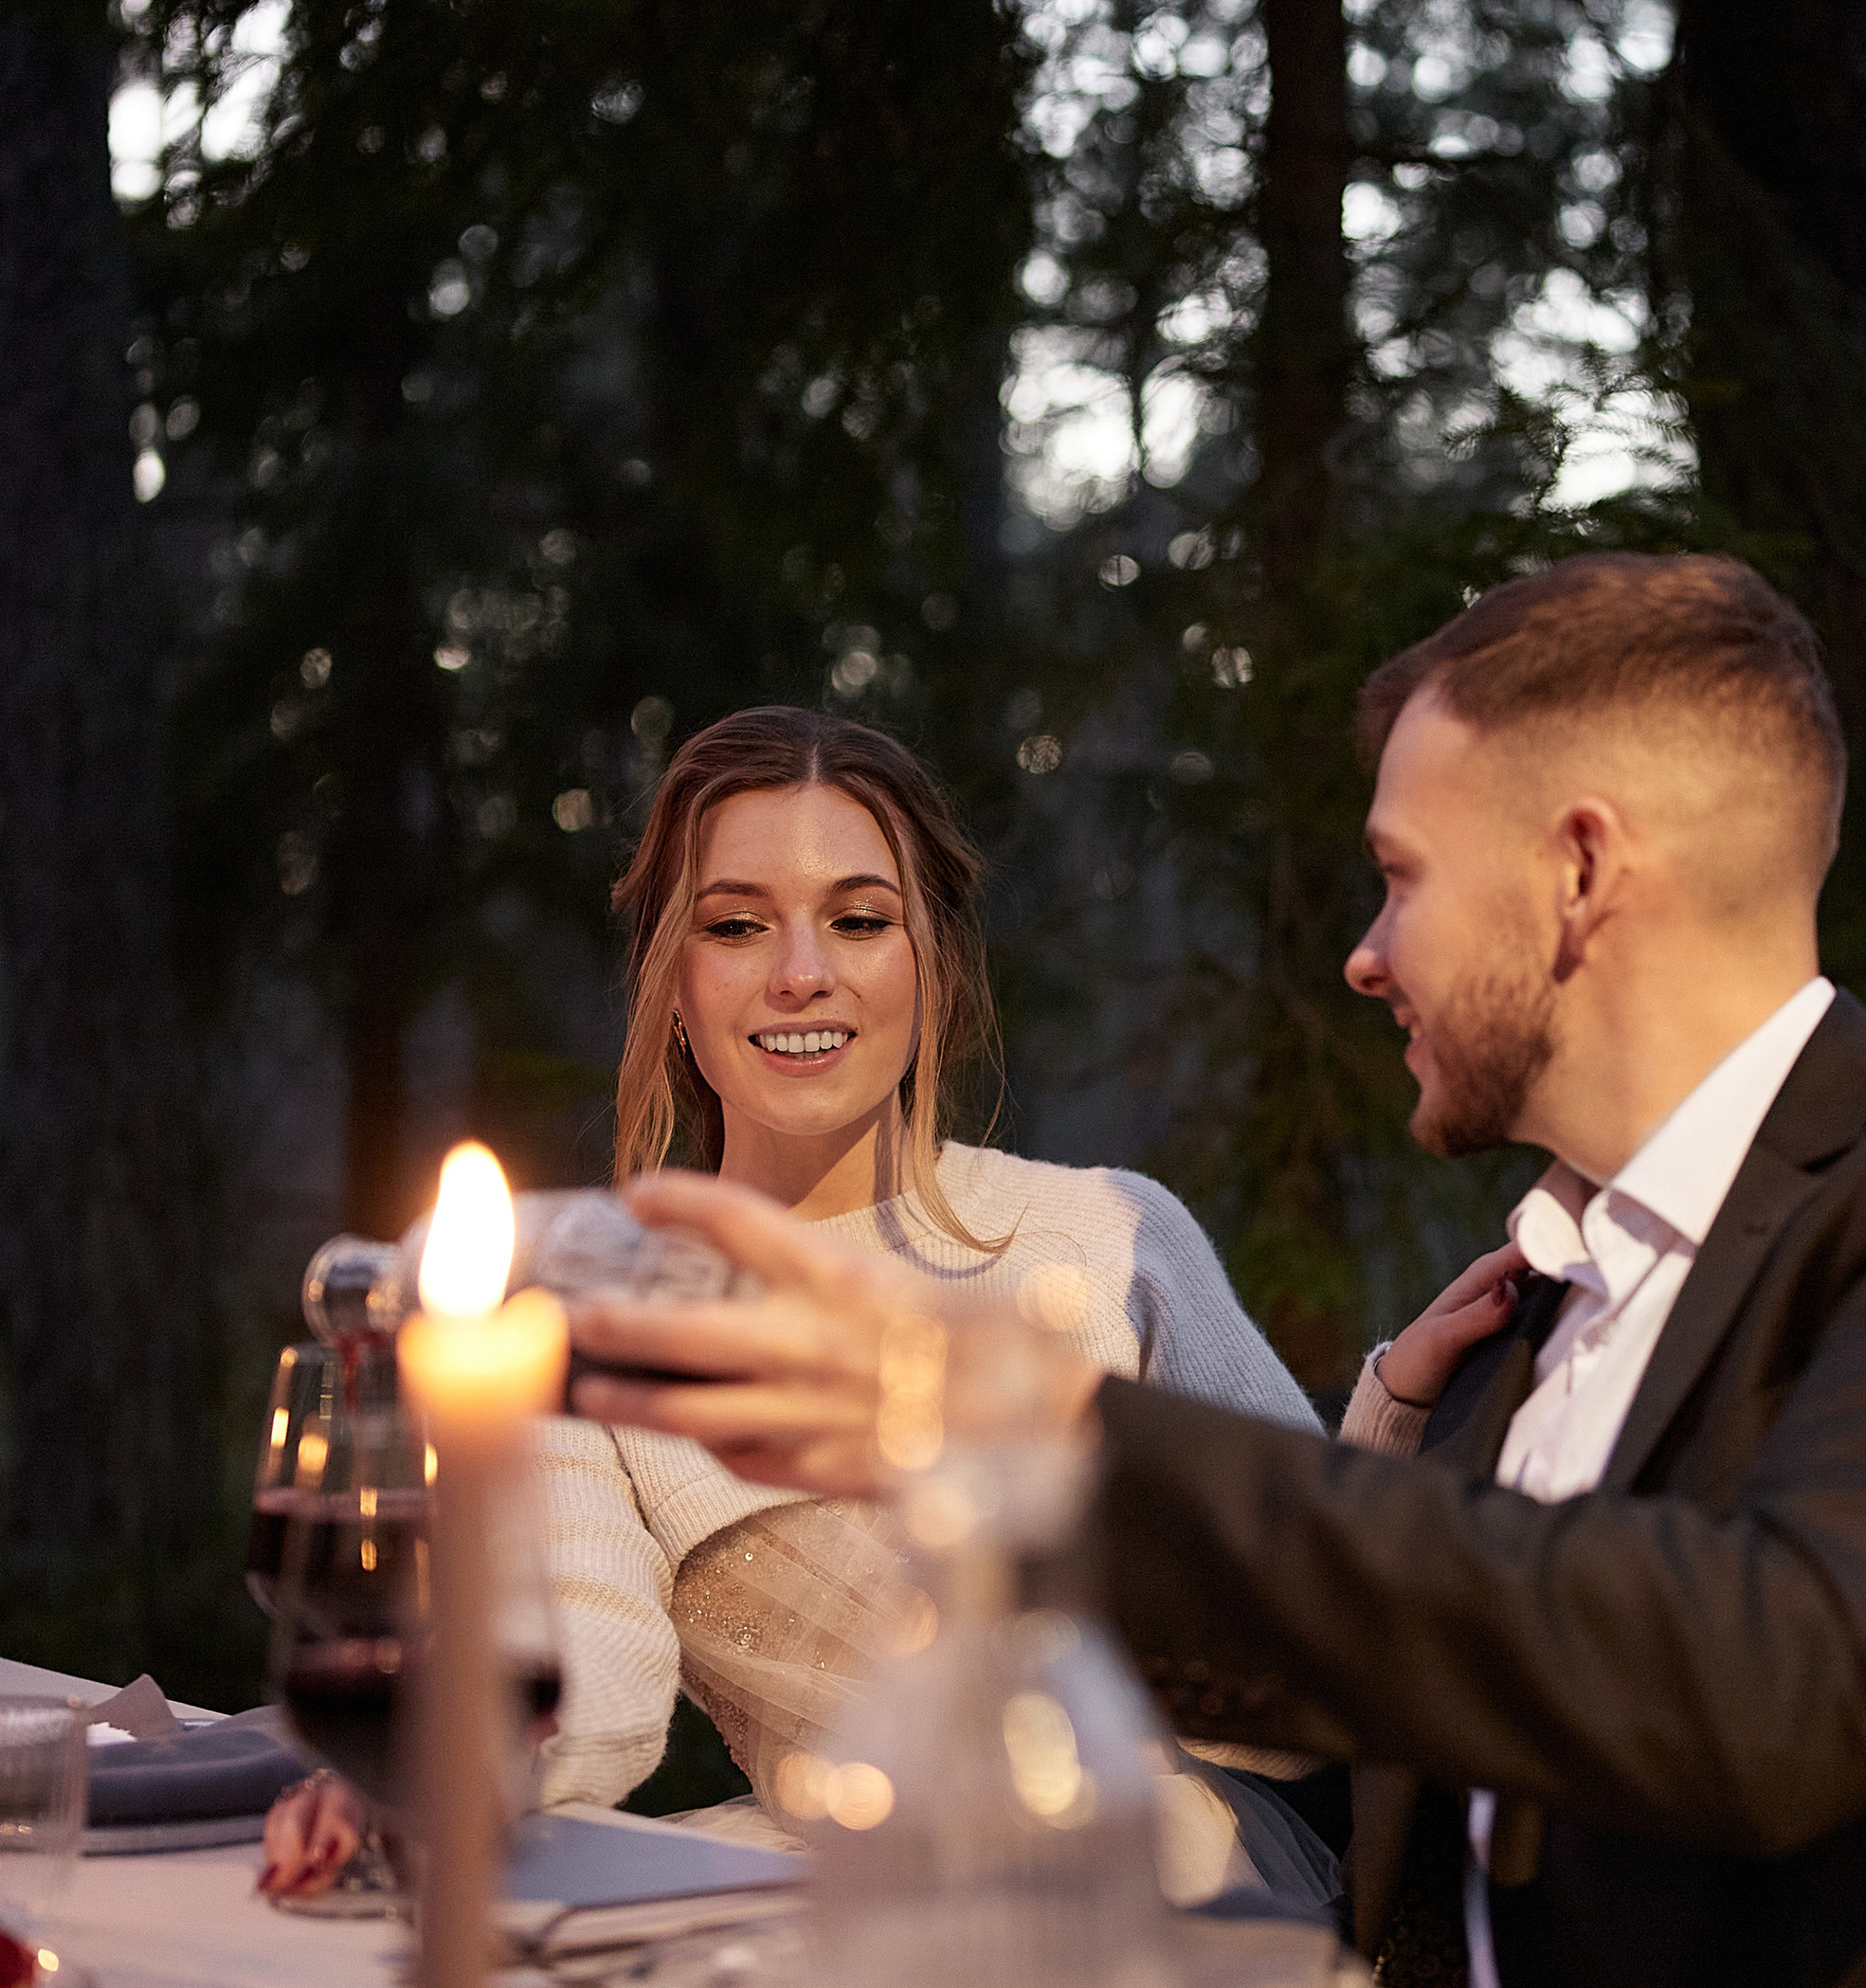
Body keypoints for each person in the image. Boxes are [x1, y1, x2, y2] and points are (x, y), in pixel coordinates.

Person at [563, 557, 1866, 1988]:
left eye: (1400, 876)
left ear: (1582, 871)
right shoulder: (1528, 1326)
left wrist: (1018, 1423)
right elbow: (1348, 1737)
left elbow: (1767, 1677)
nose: (1363, 952)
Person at [261, 704, 1332, 1910]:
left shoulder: (1106, 1230)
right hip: (852, 1882)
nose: (801, 973)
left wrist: (1394, 1408)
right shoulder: (582, 1310)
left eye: (860, 920)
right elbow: (585, 1666)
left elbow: (1323, 1594)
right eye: (735, 925)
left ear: (931, 964)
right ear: (672, 981)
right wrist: (437, 1764)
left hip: (1169, 1883)